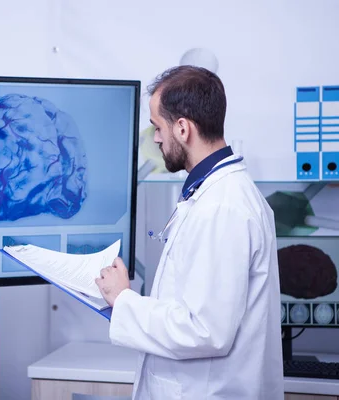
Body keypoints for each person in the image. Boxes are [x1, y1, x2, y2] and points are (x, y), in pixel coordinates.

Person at [95, 65, 284, 400]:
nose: (155, 138)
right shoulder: (213, 195)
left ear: (182, 128)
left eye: (157, 127)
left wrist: (123, 299)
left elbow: (205, 331)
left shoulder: (223, 208)